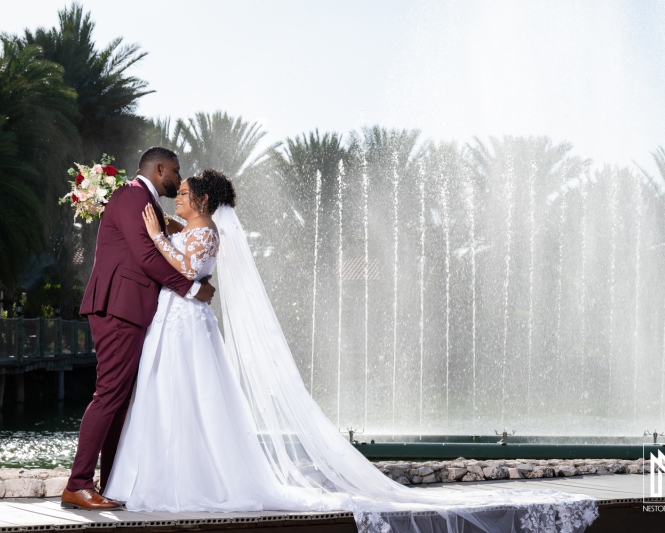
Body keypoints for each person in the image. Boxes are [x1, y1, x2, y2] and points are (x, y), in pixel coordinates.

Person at [104, 169, 599, 532]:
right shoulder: (191, 229)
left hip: (187, 325)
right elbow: (184, 264)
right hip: (176, 322)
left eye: (185, 194)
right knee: (165, 395)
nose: (178, 199)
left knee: (191, 397)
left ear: (204, 200)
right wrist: (162, 235)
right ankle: (159, 471)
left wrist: (153, 235)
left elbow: (188, 272)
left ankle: (190, 478)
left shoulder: (205, 231)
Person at [61, 147, 215, 510]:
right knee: (110, 394)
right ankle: (77, 484)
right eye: (175, 172)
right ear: (159, 168)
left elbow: (157, 249)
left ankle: (109, 481)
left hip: (130, 308)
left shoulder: (144, 200)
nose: (178, 180)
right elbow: (146, 257)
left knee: (121, 401)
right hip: (118, 307)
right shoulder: (131, 195)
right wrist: (191, 289)